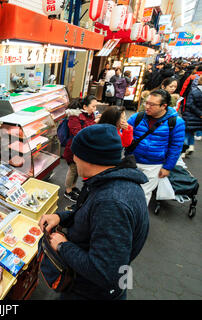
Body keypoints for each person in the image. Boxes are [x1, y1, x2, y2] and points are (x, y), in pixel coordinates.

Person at [39, 124, 149, 300]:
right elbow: (87, 213)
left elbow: (105, 272)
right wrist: (60, 217)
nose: (73, 158)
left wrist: (62, 246)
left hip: (91, 293)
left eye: (76, 154)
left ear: (90, 158)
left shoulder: (111, 203)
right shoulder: (109, 180)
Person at [126, 89, 185, 205]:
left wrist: (167, 167)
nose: (147, 106)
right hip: (131, 160)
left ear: (164, 106)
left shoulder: (176, 122)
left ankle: (138, 220)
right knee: (126, 191)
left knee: (143, 195)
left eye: (152, 104)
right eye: (146, 102)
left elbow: (176, 147)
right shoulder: (138, 117)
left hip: (153, 165)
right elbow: (125, 135)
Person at [62, 96, 99, 202]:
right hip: (73, 149)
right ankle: (68, 191)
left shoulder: (89, 115)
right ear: (84, 106)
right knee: (73, 170)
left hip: (82, 149)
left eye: (96, 106)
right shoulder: (74, 117)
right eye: (93, 106)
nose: (95, 109)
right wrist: (95, 122)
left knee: (78, 170)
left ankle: (73, 187)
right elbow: (78, 133)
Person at [181, 75, 202, 158]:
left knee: (186, 132)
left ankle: (184, 150)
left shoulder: (194, 91)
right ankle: (191, 146)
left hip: (190, 115)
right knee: (192, 132)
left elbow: (190, 104)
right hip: (199, 117)